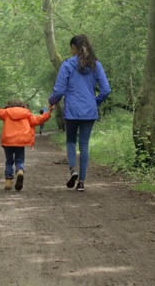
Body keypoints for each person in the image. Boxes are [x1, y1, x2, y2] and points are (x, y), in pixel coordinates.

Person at [48, 34, 110, 192]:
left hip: (72, 111)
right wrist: (93, 103)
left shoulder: (67, 65)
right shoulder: (96, 65)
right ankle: (81, 182)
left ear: (74, 48)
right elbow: (105, 90)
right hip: (89, 111)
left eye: (71, 48)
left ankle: (72, 170)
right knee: (84, 145)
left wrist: (52, 101)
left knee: (70, 141)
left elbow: (59, 90)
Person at [0, 99, 54, 191]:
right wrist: (49, 111)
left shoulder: (6, 112)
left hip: (8, 141)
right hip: (21, 141)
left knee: (9, 161)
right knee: (19, 159)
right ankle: (20, 170)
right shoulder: (27, 114)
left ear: (9, 106)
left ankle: (8, 181)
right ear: (23, 106)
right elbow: (39, 119)